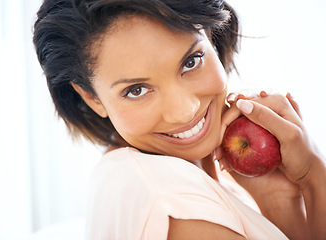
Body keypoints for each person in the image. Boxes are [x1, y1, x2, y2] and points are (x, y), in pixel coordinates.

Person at [33, 0, 326, 239]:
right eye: (136, 90)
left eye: (191, 61)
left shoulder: (151, 176)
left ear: (212, 36)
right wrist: (315, 178)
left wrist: (279, 202)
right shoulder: (173, 205)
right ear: (92, 98)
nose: (184, 111)